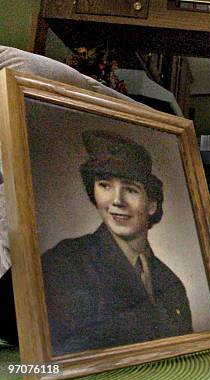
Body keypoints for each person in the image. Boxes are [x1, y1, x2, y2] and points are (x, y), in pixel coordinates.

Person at [42, 130, 192, 355]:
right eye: (105, 185)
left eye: (131, 189)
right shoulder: (66, 263)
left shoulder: (171, 284)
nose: (117, 201)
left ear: (151, 204)